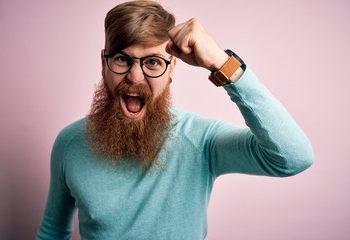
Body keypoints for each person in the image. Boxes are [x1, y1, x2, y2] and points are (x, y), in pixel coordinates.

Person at [36, 0, 314, 239]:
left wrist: (221, 63)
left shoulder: (201, 140)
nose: (135, 77)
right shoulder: (70, 143)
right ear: (103, 63)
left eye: (153, 62)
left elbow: (293, 157)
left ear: (172, 70)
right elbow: (52, 231)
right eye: (122, 59)